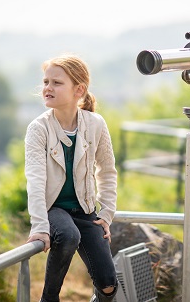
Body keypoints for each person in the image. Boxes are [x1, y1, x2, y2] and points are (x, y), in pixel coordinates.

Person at [24, 55, 118, 302]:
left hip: (85, 209)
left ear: (79, 90)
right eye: (45, 81)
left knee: (109, 285)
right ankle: (49, 298)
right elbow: (34, 181)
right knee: (68, 235)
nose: (47, 88)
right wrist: (40, 227)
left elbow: (107, 170)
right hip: (53, 209)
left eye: (56, 82)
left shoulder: (95, 124)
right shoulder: (38, 129)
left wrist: (106, 213)